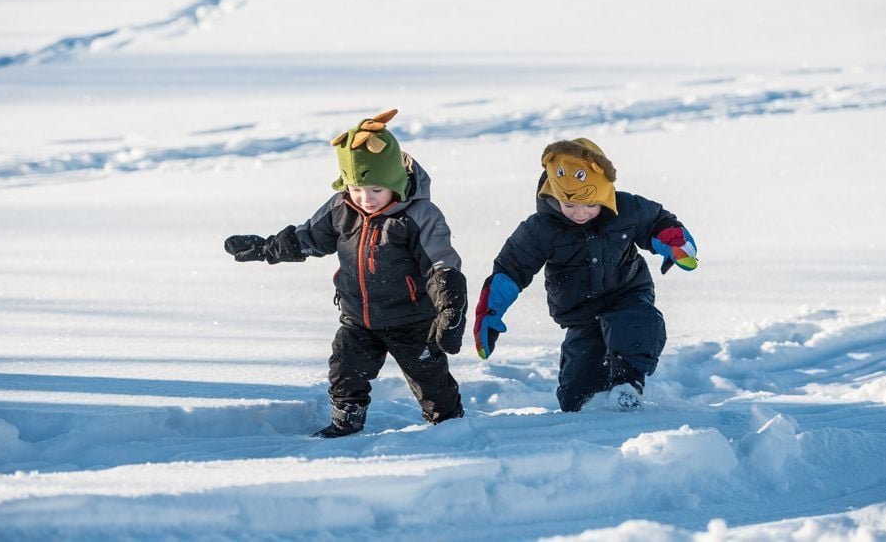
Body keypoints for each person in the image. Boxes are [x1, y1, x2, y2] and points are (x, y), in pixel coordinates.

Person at [224, 109, 467, 438]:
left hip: (411, 321)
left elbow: (441, 265)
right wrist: (268, 248)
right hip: (358, 319)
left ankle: (450, 425)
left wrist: (450, 309)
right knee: (344, 370)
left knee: (431, 380)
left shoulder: (419, 216)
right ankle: (346, 421)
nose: (365, 199)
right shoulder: (341, 208)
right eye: (357, 188)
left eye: (376, 190)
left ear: (395, 181)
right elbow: (308, 238)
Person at [473, 137, 697, 411]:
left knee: (635, 324)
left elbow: (658, 222)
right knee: (577, 394)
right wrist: (491, 312)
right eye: (570, 206)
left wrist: (675, 243)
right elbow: (511, 268)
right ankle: (585, 409)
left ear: (603, 193)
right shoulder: (540, 229)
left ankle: (628, 387)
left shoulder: (625, 209)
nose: (581, 213)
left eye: (590, 204)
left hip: (626, 293)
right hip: (580, 311)